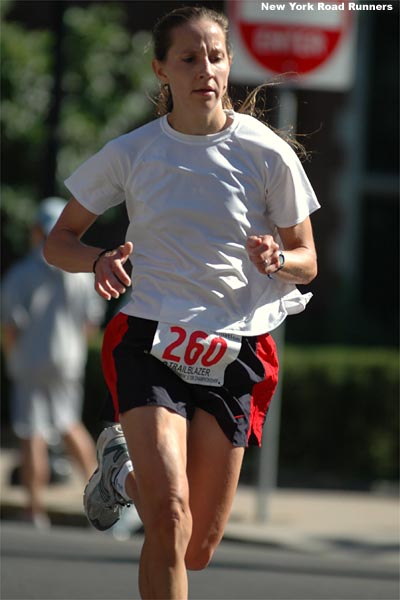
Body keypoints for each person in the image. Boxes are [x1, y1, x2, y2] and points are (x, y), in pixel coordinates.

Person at [44, 5, 319, 598]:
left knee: (194, 547)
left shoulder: (267, 153)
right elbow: (58, 241)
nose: (205, 69)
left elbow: (308, 260)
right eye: (189, 58)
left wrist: (278, 259)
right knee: (168, 516)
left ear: (229, 64)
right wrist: (98, 259)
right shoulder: (134, 151)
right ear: (161, 69)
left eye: (215, 56)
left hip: (238, 345)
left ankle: (120, 473)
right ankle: (132, 472)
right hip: (151, 337)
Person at [1, 197, 105, 528]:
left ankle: (34, 509)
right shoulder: (81, 274)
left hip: (31, 359)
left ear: (35, 232)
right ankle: (103, 500)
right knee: (70, 424)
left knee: (32, 433)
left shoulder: (21, 274)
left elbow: (10, 328)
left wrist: (11, 357)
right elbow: (90, 324)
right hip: (68, 360)